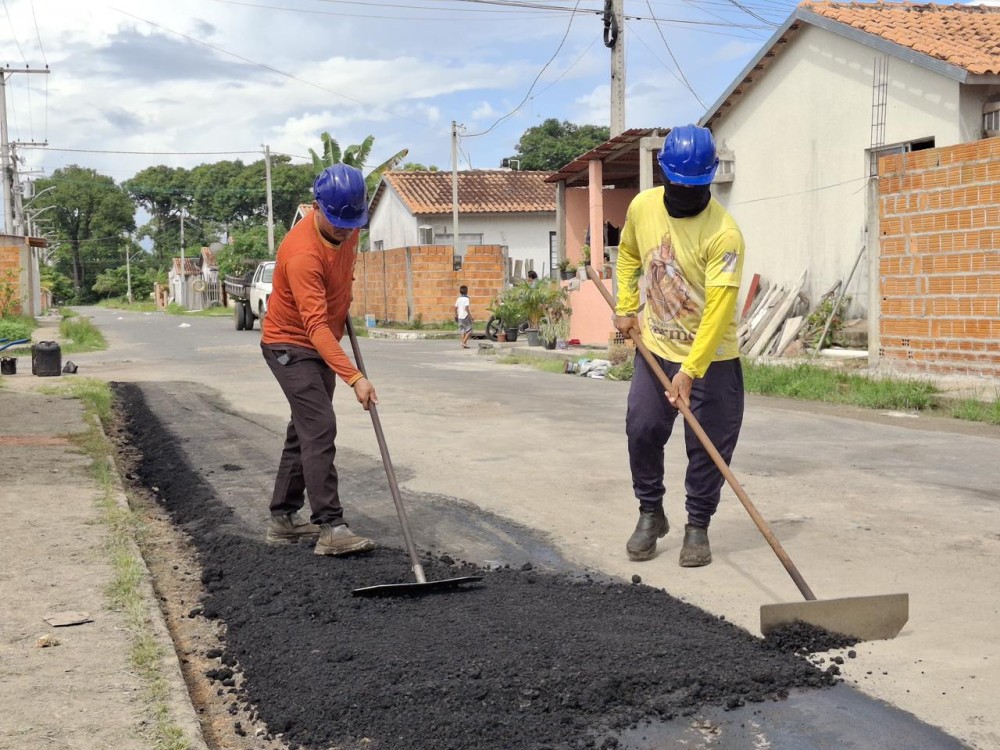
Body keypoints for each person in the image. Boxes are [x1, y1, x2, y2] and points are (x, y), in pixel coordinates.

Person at [613, 124, 745, 568]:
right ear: (663, 175)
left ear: (708, 181)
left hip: (713, 359)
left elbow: (719, 310)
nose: (685, 194)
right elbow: (629, 253)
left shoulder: (724, 234)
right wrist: (627, 306)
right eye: (677, 185)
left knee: (707, 445)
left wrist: (691, 371)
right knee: (643, 429)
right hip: (655, 349)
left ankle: (697, 526)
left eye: (695, 187)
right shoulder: (643, 207)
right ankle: (651, 513)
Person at [259, 163, 378, 556]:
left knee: (305, 431)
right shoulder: (301, 253)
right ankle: (330, 526)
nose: (346, 231)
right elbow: (314, 327)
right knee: (320, 427)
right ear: (316, 208)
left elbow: (343, 268)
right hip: (289, 345)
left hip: (321, 338)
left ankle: (283, 518)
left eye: (352, 222)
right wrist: (354, 377)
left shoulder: (349, 223)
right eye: (337, 223)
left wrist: (342, 295)